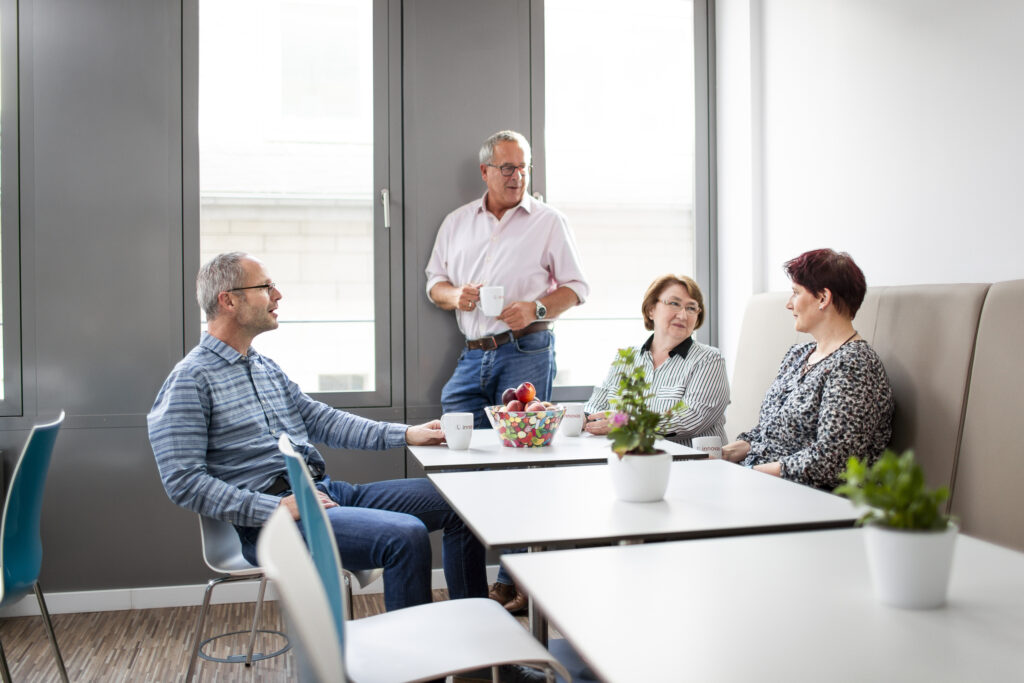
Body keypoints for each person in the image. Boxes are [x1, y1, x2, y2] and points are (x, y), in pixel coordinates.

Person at [148, 252, 487, 613]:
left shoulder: (263, 367)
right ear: (228, 300)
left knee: (461, 502)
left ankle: (478, 657)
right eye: (266, 287)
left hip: (321, 493)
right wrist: (275, 506)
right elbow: (182, 481)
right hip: (272, 522)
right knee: (405, 535)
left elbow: (323, 420)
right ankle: (416, 669)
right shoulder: (190, 379)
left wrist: (406, 434)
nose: (278, 295)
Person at [425, 130, 589, 429]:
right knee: (460, 445)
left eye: (524, 167)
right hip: (473, 353)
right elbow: (435, 284)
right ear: (484, 171)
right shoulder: (456, 222)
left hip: (526, 351)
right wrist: (456, 295)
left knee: (521, 450)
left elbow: (577, 288)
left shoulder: (549, 221)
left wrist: (535, 309)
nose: (518, 176)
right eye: (507, 168)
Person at [721, 249, 895, 489]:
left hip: (809, 497)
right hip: (767, 484)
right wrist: (722, 455)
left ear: (823, 298)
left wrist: (750, 473)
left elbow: (832, 462)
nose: (788, 304)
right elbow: (768, 433)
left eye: (795, 293)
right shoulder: (799, 354)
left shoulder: (855, 366)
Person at [584, 274, 729, 446]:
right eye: (674, 304)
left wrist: (630, 423)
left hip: (689, 465)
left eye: (691, 308)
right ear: (651, 309)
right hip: (629, 462)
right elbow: (596, 406)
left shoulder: (709, 360)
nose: (683, 315)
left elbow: (692, 419)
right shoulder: (625, 358)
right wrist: (569, 417)